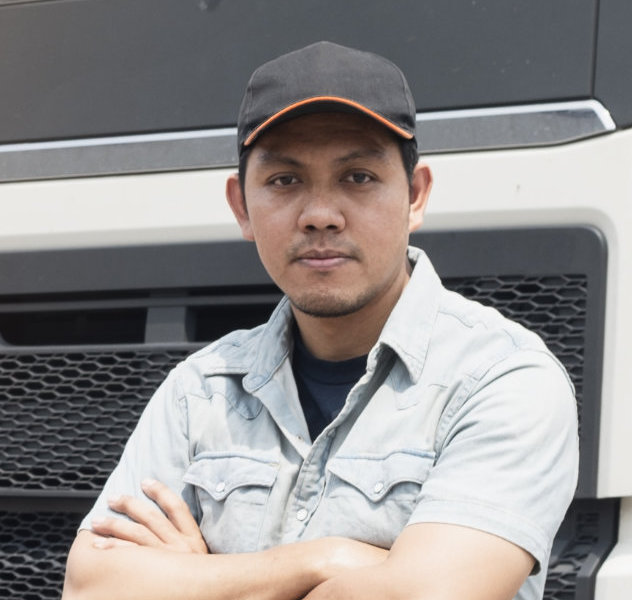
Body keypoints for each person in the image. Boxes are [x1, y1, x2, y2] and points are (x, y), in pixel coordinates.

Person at [60, 41, 579, 600]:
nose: (321, 216)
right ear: (241, 207)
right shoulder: (200, 391)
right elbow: (91, 588)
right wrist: (327, 560)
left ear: (416, 196)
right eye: (285, 181)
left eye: (357, 177)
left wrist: (197, 581)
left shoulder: (502, 379)